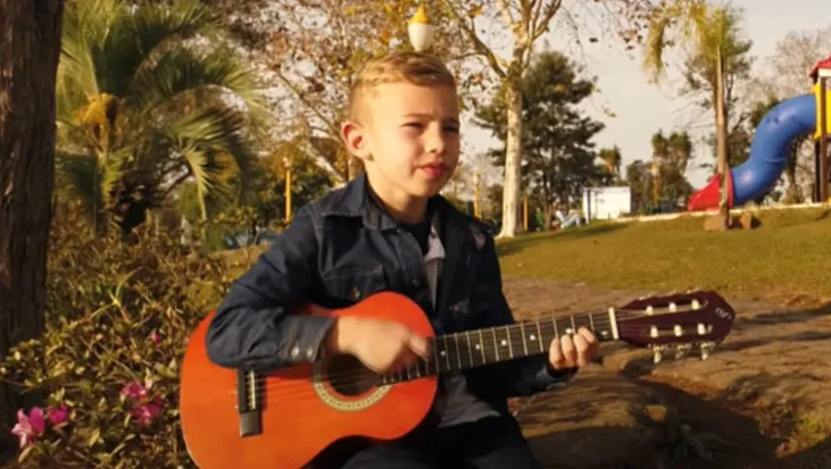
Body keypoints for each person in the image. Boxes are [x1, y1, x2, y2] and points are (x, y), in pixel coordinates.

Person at [205, 51, 600, 469]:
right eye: (415, 126)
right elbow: (228, 330)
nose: (438, 143)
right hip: (371, 444)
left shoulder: (471, 241)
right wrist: (345, 336)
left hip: (468, 423)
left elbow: (495, 367)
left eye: (450, 128)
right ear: (359, 141)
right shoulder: (324, 229)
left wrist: (551, 364)